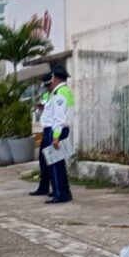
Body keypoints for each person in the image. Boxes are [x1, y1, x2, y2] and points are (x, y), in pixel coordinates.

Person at [40, 64, 75, 204]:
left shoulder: (59, 93)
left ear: (54, 78)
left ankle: (60, 193)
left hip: (57, 131)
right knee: (58, 164)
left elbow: (59, 118)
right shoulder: (66, 91)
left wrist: (55, 137)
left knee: (55, 164)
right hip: (62, 129)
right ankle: (62, 191)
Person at [30, 73, 54, 196]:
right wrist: (41, 107)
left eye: (47, 84)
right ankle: (44, 187)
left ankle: (55, 188)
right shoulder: (46, 94)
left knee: (52, 160)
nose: (46, 87)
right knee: (43, 160)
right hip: (46, 130)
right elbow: (46, 109)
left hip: (52, 130)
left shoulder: (57, 94)